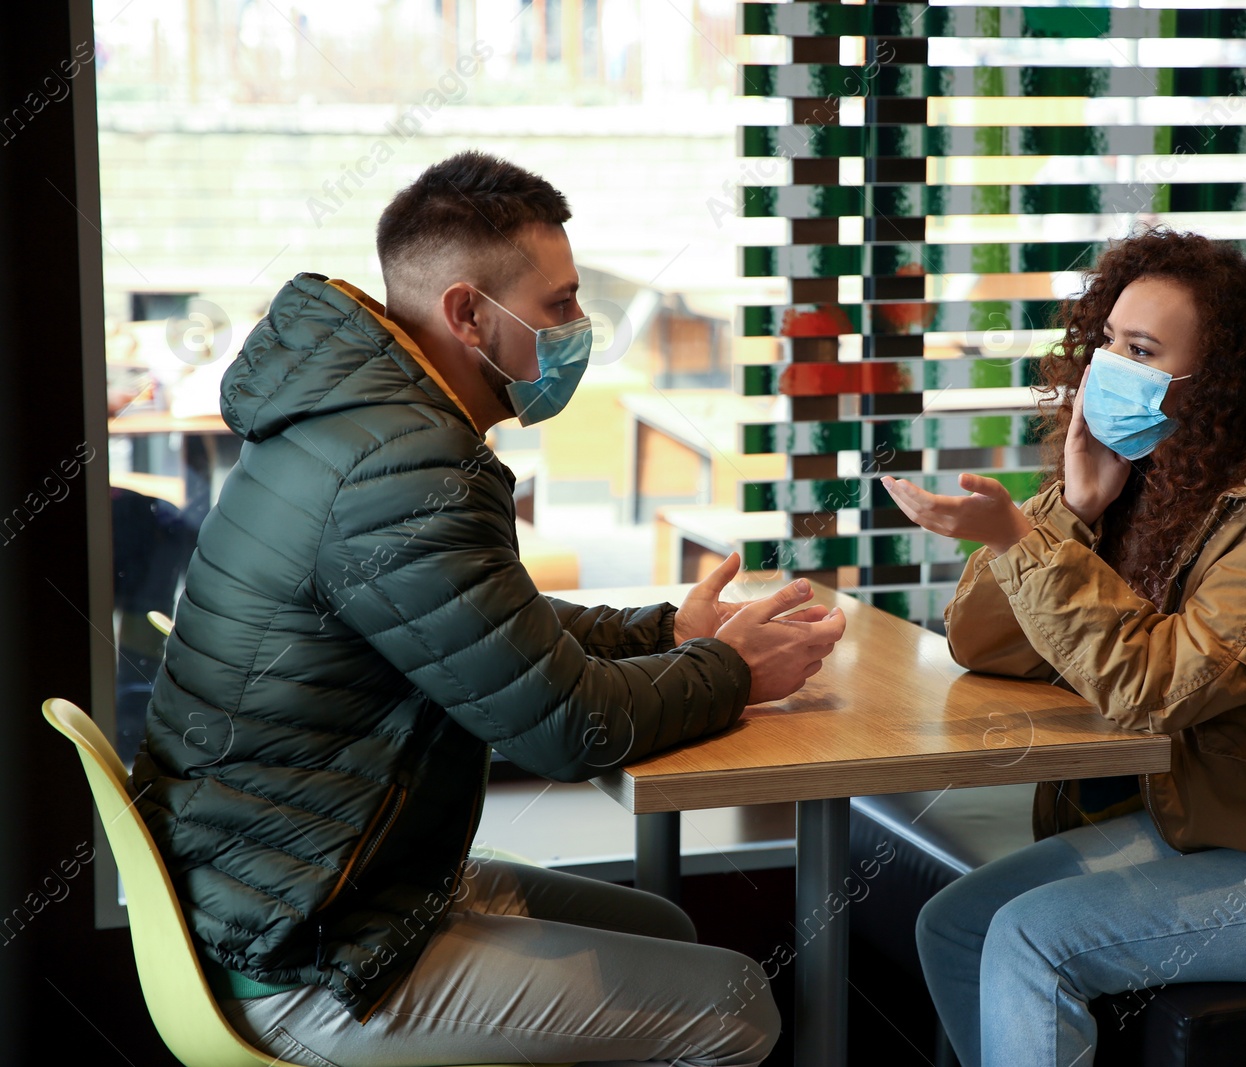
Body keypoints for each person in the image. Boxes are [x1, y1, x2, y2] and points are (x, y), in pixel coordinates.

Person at [130, 150, 847, 1067]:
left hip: (281, 890)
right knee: (735, 1003)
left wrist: (668, 633)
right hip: (311, 953)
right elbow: (565, 726)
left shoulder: (350, 423)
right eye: (560, 306)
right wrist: (736, 669)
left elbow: (490, 628)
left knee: (663, 921)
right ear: (469, 314)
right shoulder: (406, 469)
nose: (580, 329)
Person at [882, 229, 1246, 1066]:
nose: (1107, 368)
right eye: (1108, 341)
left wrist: (1022, 540)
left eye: (1143, 350)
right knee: (957, 922)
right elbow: (982, 642)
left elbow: (1162, 686)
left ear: (1219, 379)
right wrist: (1071, 511)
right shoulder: (1156, 479)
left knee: (1027, 940)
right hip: (1228, 822)